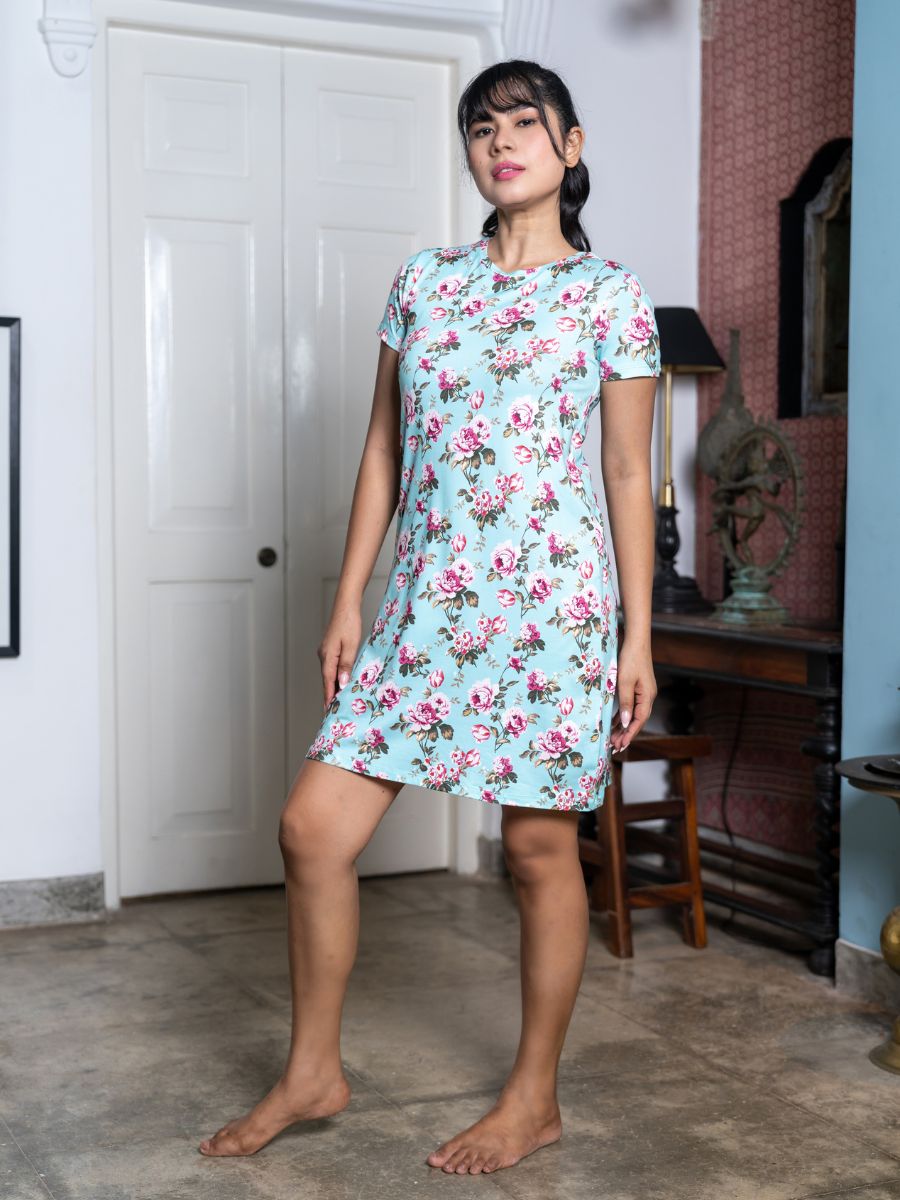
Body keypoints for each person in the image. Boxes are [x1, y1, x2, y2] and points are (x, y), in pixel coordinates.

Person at [199, 58, 660, 1175]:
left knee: (539, 850)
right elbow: (383, 452)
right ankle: (313, 1071)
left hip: (552, 613)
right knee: (312, 828)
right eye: (482, 128)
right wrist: (349, 597)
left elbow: (625, 473)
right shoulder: (426, 284)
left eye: (524, 124)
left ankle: (534, 1099)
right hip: (420, 609)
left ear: (571, 146)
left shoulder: (610, 297)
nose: (502, 144)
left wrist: (637, 636)